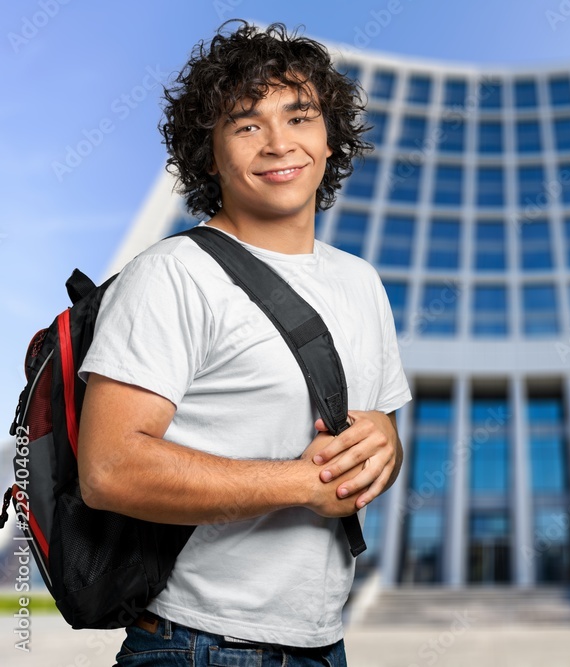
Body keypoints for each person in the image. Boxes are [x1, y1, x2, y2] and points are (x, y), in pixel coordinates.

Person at [77, 20, 410, 666]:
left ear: (330, 139)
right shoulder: (172, 274)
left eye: (299, 117)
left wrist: (386, 448)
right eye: (247, 124)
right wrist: (298, 482)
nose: (278, 143)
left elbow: (378, 442)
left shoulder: (361, 282)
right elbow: (108, 468)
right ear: (209, 154)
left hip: (323, 642)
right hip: (196, 643)